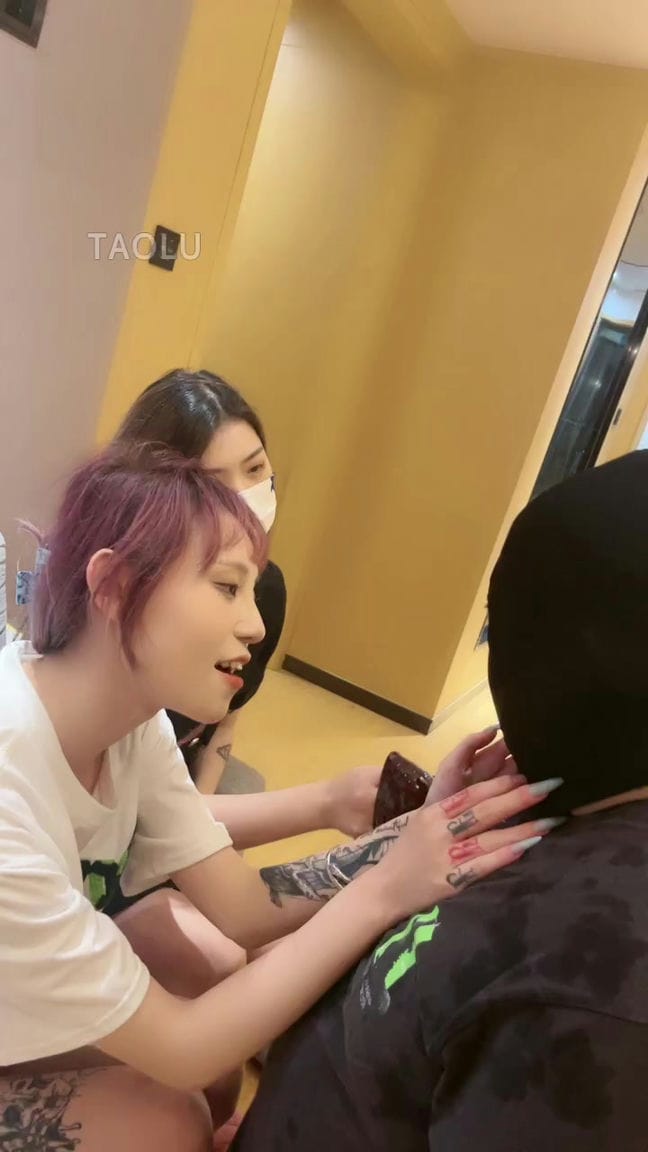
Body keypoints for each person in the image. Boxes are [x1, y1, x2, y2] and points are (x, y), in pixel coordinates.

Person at [0, 442, 556, 1152]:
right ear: (111, 584)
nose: (257, 626)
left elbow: (243, 908)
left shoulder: (134, 726)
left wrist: (415, 832)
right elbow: (184, 1049)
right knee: (165, 1120)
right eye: (227, 587)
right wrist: (387, 886)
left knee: (204, 971)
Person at [233, 450, 648, 1152]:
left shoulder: (600, 991)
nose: (251, 622)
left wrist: (391, 843)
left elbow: (230, 926)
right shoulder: (575, 798)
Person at [115, 368, 285, 794]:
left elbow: (223, 726)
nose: (244, 496)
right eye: (212, 484)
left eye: (255, 468)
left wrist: (201, 805)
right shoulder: (132, 597)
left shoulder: (267, 591)